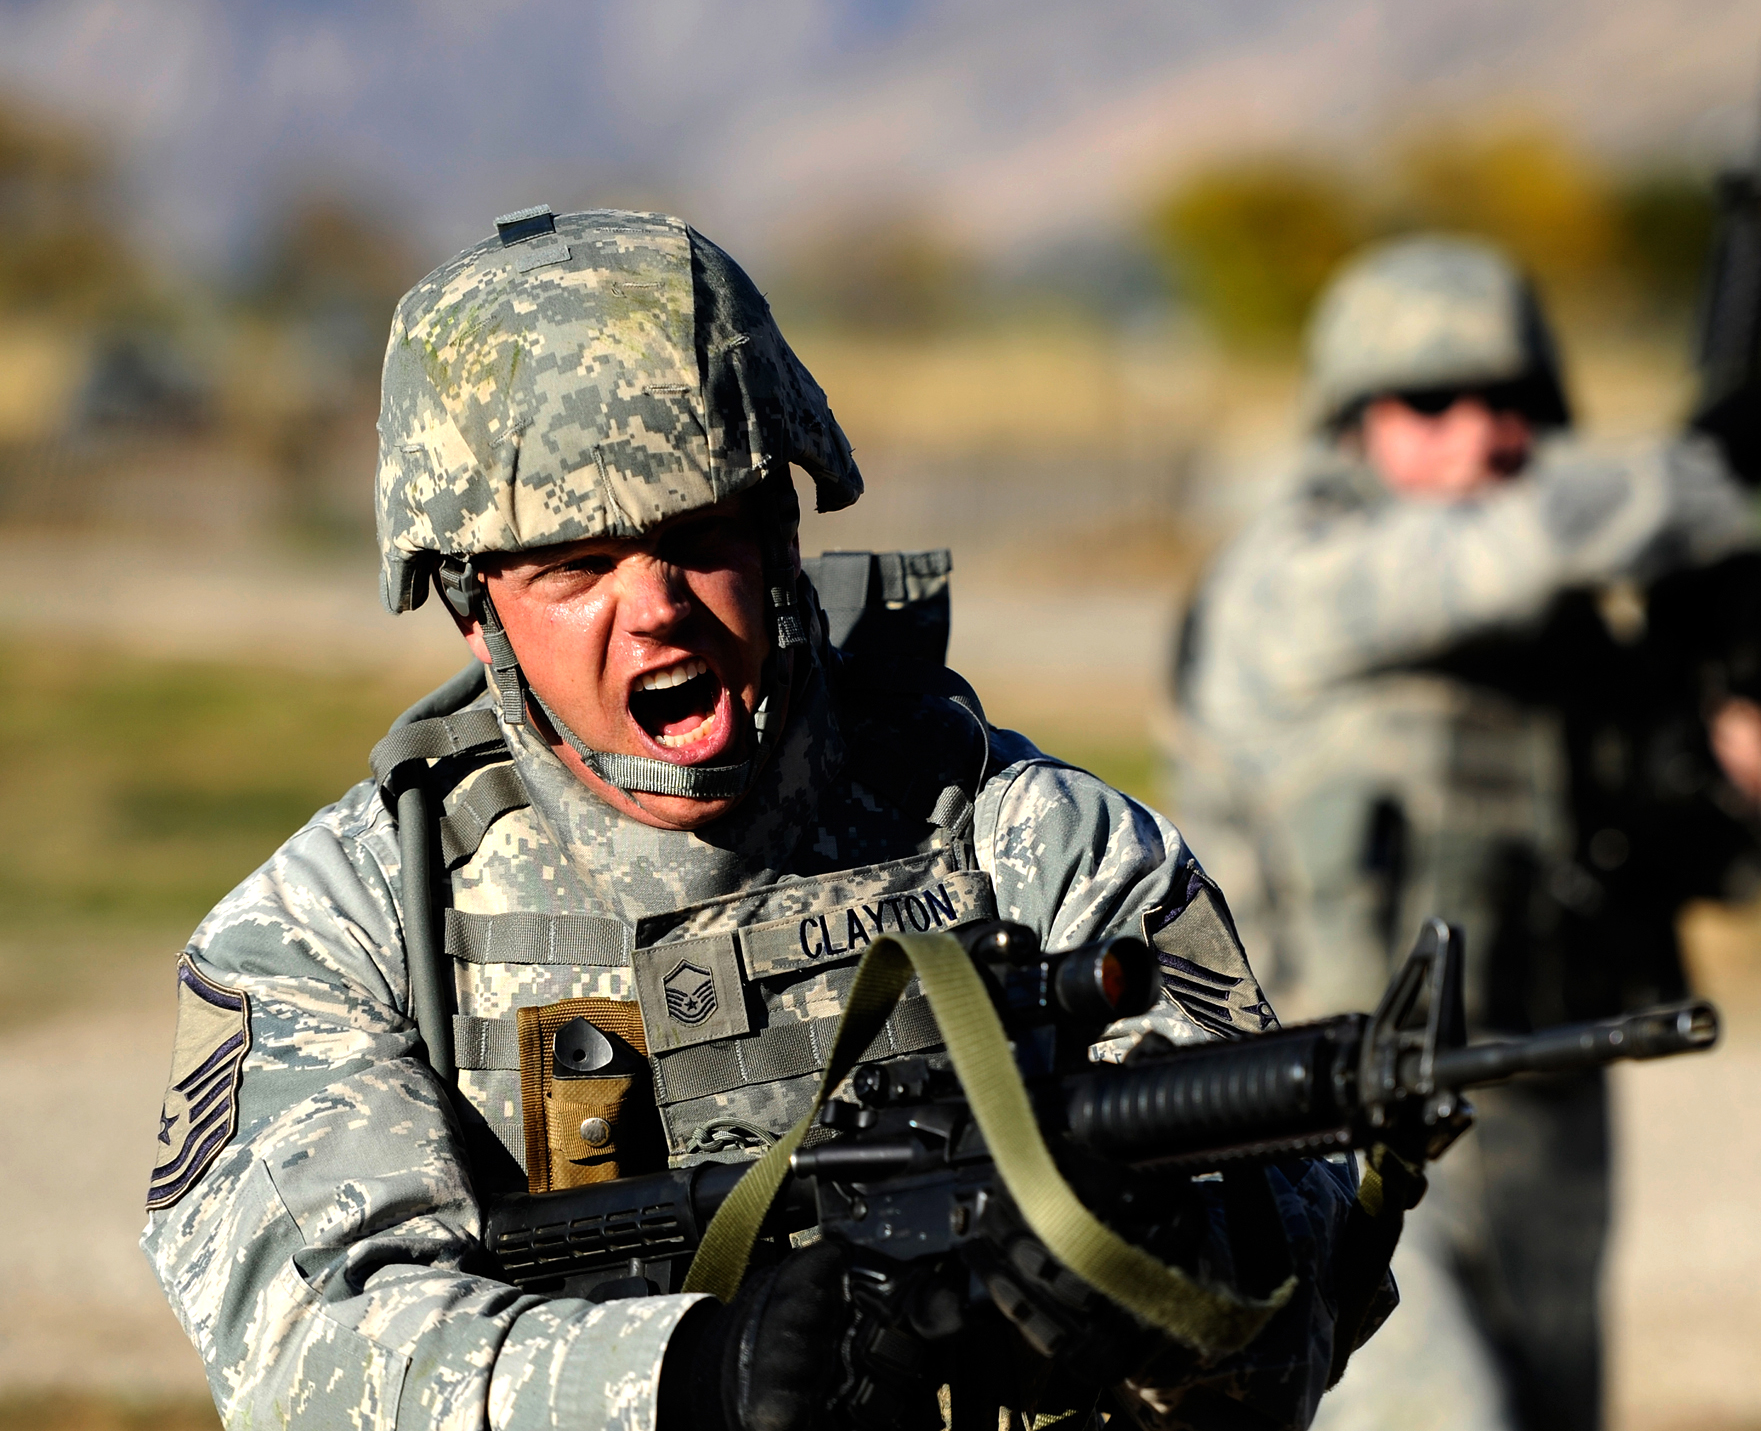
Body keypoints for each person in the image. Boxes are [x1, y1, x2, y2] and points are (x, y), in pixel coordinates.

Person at [141, 208, 1375, 1431]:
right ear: (476, 610)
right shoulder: (336, 928)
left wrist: (1154, 1264)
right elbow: (312, 1360)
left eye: (698, 538)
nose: (657, 610)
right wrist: (699, 1377)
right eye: (576, 565)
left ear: (782, 537)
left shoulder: (1037, 844)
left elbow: (1307, 1268)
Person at [1169, 236, 1761, 1431]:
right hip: (1317, 1130)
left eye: (1513, 403)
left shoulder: (1566, 637)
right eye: (1430, 400)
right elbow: (1500, 554)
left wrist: (1740, 692)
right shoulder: (1296, 580)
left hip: (1541, 1134)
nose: (1480, 432)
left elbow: (1734, 847)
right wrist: (1701, 474)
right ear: (1350, 422)